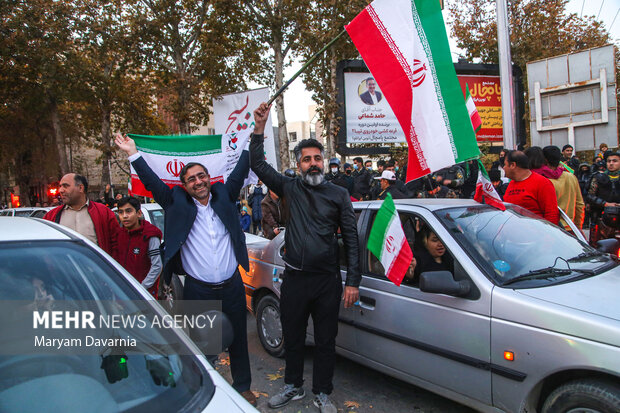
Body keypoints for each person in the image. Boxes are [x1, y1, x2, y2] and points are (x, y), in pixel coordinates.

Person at [114, 133, 256, 406]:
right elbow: (151, 181)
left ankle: (243, 388)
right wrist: (132, 153)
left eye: (202, 176)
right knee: (206, 347)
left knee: (238, 341)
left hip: (232, 286)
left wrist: (252, 139)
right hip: (198, 290)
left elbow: (240, 169)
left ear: (209, 178)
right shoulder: (174, 203)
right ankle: (210, 394)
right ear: (184, 186)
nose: (198, 181)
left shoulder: (224, 195)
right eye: (191, 179)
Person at [250, 102, 360, 413]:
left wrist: (352, 281)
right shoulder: (289, 187)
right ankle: (292, 387)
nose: (313, 163)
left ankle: (323, 393)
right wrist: (259, 127)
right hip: (294, 279)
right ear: (298, 165)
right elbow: (257, 163)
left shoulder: (338, 194)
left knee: (325, 342)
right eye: (306, 159)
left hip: (327, 281)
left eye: (317, 158)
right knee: (294, 338)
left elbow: (351, 240)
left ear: (323, 162)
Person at [43, 173, 119, 257]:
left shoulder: (103, 213)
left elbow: (117, 245)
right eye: (60, 186)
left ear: (80, 188)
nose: (60, 190)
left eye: (65, 186)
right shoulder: (51, 216)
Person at [115, 196, 163, 298]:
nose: (124, 216)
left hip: (144, 294)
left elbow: (157, 266)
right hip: (122, 293)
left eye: (128, 211)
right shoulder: (119, 234)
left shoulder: (150, 234)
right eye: (121, 212)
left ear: (139, 213)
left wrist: (141, 287)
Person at [503, 150, 559, 224]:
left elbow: (552, 214)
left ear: (513, 165)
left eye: (505, 165)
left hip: (535, 233)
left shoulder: (542, 183)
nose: (503, 168)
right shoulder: (511, 183)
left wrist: (547, 234)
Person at [542, 146, 585, 230]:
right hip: (569, 226)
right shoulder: (571, 177)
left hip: (551, 228)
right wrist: (578, 227)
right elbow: (579, 204)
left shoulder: (543, 180)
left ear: (545, 160)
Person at [586, 151, 620, 245]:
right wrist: (606, 204)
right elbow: (590, 196)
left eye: (614, 161)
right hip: (602, 220)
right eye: (609, 161)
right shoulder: (598, 177)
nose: (611, 163)